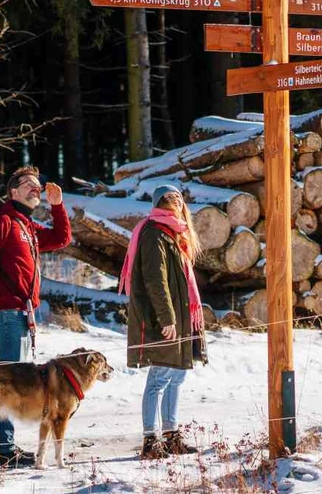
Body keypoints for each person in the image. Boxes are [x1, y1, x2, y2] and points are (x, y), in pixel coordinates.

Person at [0, 166, 71, 469]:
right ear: (12, 192)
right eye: (28, 184)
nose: (35, 188)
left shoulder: (26, 225)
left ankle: (3, 446)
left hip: (24, 314)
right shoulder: (2, 220)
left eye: (38, 184)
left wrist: (57, 206)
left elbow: (62, 238)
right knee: (7, 383)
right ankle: (1, 450)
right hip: (7, 312)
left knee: (14, 381)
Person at [120, 184, 207, 460]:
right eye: (169, 198)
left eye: (179, 198)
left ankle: (171, 435)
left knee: (177, 375)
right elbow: (155, 280)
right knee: (159, 377)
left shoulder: (177, 234)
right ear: (158, 203)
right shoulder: (154, 233)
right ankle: (150, 439)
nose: (175, 202)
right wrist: (167, 317)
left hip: (182, 318)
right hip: (164, 318)